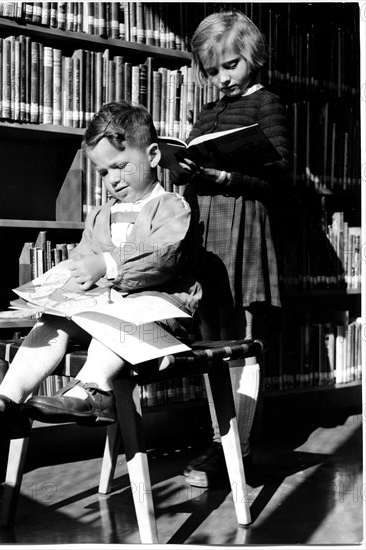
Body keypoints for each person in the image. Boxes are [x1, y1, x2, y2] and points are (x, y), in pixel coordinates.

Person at [0, 101, 202, 438]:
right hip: (107, 308)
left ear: (153, 156)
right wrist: (65, 285)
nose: (113, 180)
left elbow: (163, 257)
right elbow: (84, 258)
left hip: (161, 316)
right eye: (103, 172)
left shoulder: (171, 206)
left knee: (118, 318)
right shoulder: (100, 215)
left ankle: (93, 392)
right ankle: (4, 403)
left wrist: (107, 265)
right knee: (52, 322)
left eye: (121, 166)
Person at [177, 9, 290, 488]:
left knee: (241, 339)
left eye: (230, 66)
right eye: (211, 70)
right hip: (205, 227)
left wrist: (226, 177)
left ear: (253, 59)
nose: (221, 79)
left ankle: (235, 449)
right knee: (208, 339)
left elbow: (280, 178)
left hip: (244, 222)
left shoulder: (268, 104)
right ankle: (215, 439)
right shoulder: (205, 112)